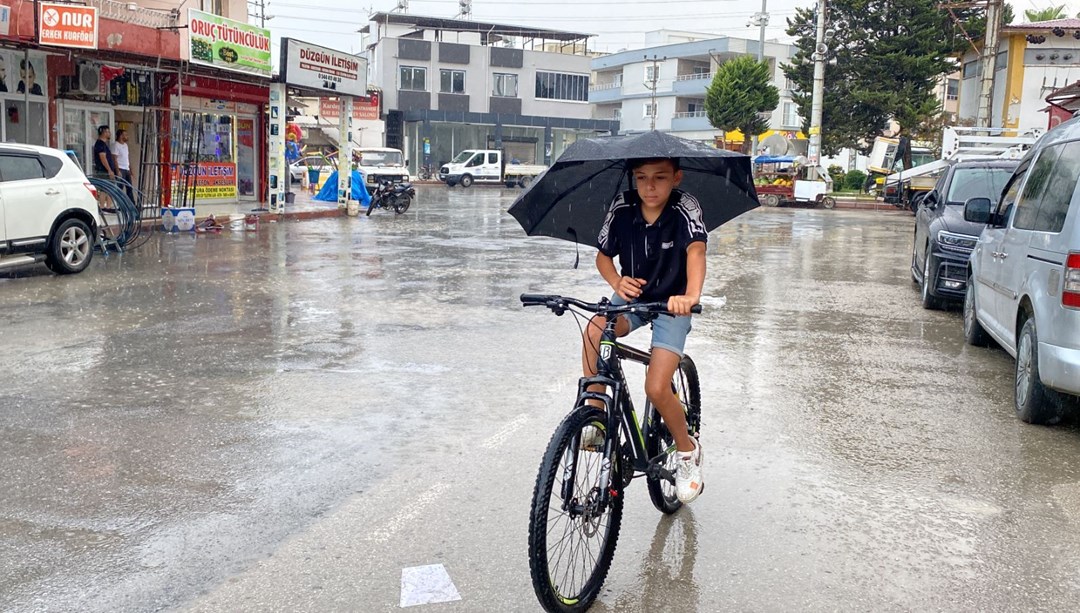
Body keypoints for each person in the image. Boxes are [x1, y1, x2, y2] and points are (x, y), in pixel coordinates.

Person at [582, 157, 707, 503]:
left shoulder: (685, 207)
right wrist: (617, 282)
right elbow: (603, 256)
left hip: (672, 303)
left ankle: (686, 451)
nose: (650, 186)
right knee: (595, 328)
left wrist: (690, 295)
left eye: (660, 178)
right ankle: (595, 413)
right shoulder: (622, 206)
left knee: (655, 386)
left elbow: (696, 251)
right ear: (633, 178)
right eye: (641, 178)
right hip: (632, 297)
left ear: (676, 178)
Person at [111, 128, 135, 203]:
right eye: (125, 135)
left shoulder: (125, 145)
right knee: (119, 188)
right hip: (120, 169)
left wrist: (130, 169)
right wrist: (117, 170)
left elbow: (127, 158)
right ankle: (119, 204)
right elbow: (114, 159)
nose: (127, 136)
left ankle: (131, 204)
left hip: (126, 168)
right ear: (121, 136)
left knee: (129, 188)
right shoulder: (116, 145)